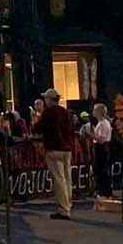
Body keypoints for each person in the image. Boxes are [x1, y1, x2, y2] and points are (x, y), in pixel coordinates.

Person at [35, 88, 75, 221]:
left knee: (59, 180)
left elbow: (37, 128)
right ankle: (68, 204)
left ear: (49, 100)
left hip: (54, 148)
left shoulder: (48, 112)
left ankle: (64, 209)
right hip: (67, 148)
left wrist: (37, 119)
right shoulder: (66, 112)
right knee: (67, 178)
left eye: (46, 98)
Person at [81, 102, 115, 199]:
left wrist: (89, 133)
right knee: (99, 170)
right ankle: (102, 191)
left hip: (102, 148)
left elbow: (101, 140)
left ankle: (105, 192)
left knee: (102, 170)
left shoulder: (103, 124)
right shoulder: (100, 123)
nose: (93, 112)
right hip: (100, 148)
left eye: (94, 110)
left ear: (99, 112)